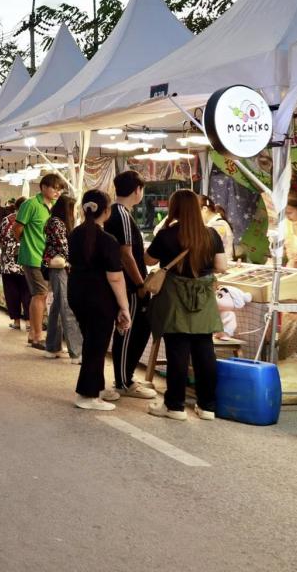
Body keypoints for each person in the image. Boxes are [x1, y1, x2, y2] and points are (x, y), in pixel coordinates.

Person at [145, 190, 227, 421]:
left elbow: (148, 260)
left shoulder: (166, 234)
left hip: (174, 297)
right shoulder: (211, 234)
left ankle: (175, 406)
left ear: (174, 209)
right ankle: (207, 406)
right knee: (204, 350)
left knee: (177, 352)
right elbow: (221, 266)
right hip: (203, 297)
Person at [68, 190, 133, 410]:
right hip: (99, 297)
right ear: (106, 211)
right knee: (96, 346)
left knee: (92, 341)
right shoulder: (108, 240)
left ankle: (97, 387)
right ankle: (87, 395)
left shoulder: (74, 234)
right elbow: (115, 277)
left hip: (77, 293)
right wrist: (124, 307)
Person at [105, 170, 156, 400]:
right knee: (128, 331)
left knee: (134, 329)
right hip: (129, 285)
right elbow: (126, 254)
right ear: (138, 190)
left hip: (125, 283)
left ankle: (125, 377)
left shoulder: (115, 213)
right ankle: (123, 382)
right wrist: (140, 283)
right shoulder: (122, 215)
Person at [13, 173, 65, 349]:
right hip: (32, 256)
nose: (57, 192)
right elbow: (17, 228)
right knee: (40, 294)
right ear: (43, 187)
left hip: (47, 258)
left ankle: (33, 334)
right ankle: (36, 336)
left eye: (60, 189)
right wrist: (26, 243)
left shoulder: (55, 206)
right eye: (54, 188)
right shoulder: (30, 204)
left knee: (41, 295)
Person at [42, 194, 81, 362]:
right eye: (74, 208)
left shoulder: (54, 221)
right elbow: (63, 246)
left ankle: (52, 347)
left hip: (57, 267)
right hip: (60, 267)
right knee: (66, 306)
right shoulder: (57, 223)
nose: (76, 211)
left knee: (57, 306)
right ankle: (76, 351)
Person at [0, 199, 30, 331]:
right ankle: (28, 322)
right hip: (26, 261)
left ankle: (16, 322)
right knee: (27, 292)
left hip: (8, 263)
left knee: (12, 292)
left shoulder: (7, 220)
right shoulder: (30, 220)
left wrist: (6, 251)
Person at [200, 195, 234, 260]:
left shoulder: (217, 225)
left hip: (222, 263)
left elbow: (208, 249)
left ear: (204, 209)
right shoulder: (217, 223)